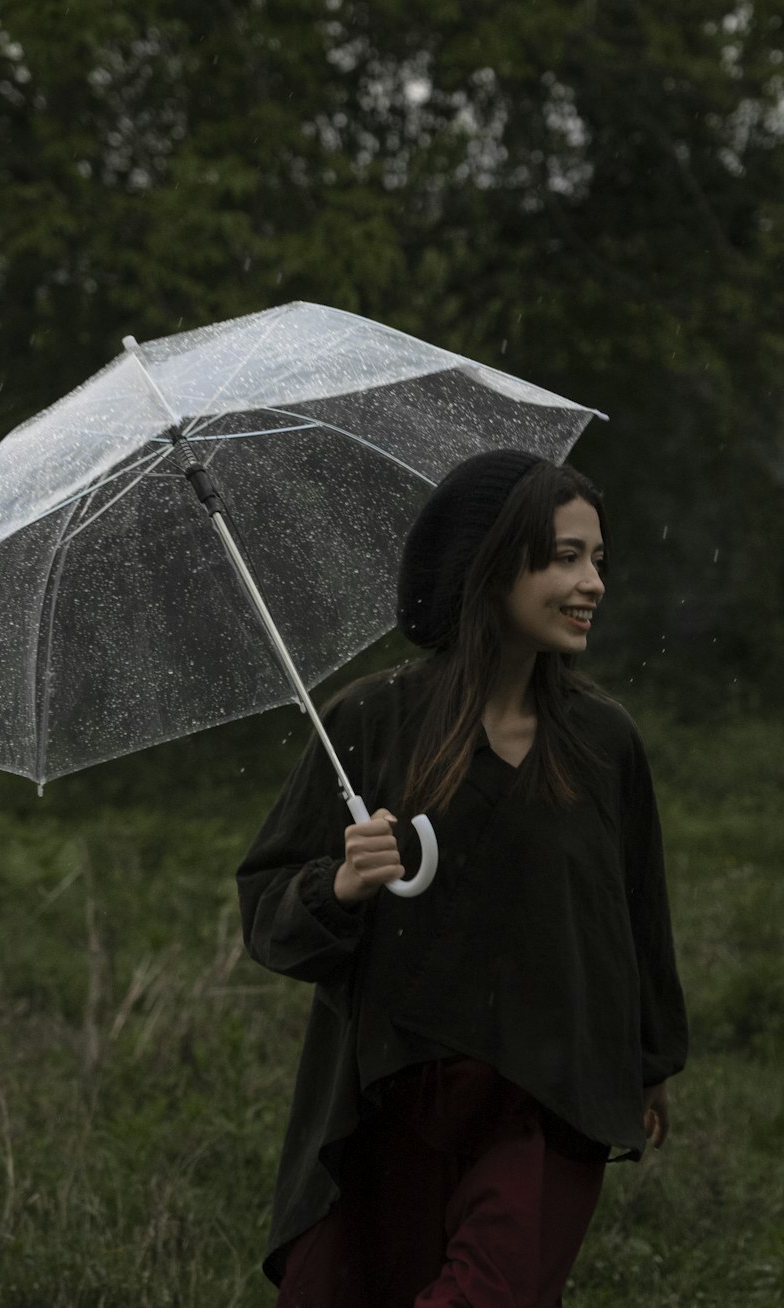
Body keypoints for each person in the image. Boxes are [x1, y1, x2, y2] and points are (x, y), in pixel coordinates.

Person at [236, 450, 688, 1308]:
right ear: (491, 566)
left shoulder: (603, 739)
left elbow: (636, 910)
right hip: (392, 1093)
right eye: (565, 557)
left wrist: (649, 1063)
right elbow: (267, 905)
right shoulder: (371, 721)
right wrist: (340, 885)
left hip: (548, 1098)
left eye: (598, 559)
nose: (593, 582)